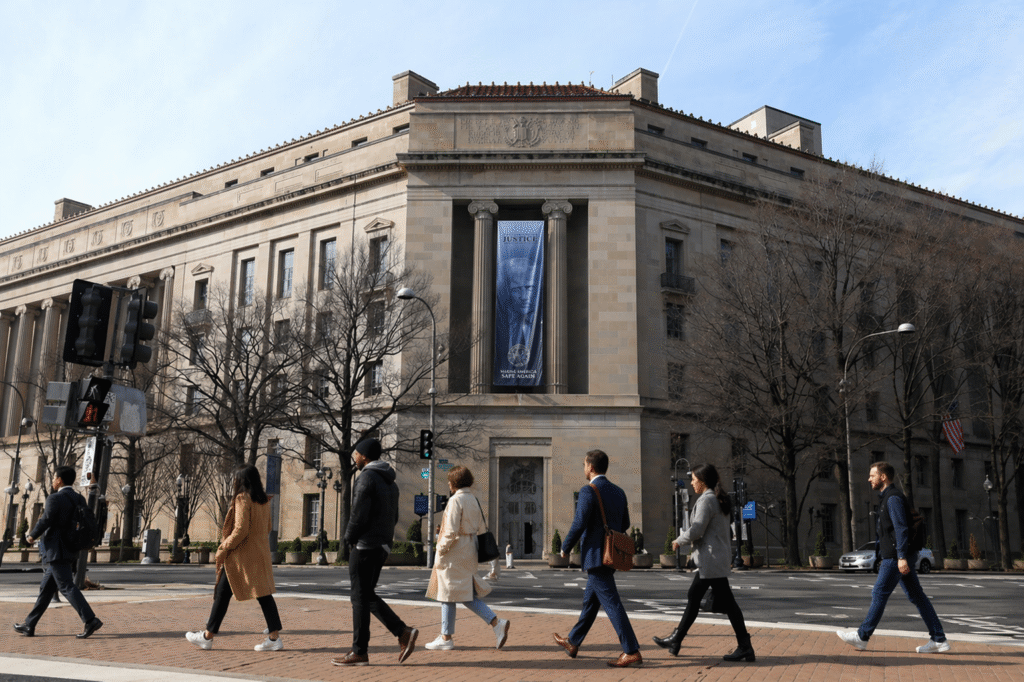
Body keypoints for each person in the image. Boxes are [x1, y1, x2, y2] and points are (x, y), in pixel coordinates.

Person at [837, 461, 951, 654]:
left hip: (895, 557)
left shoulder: (893, 498)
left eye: (872, 475)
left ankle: (862, 636)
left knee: (879, 593)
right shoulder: (886, 499)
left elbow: (901, 528)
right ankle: (939, 639)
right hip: (896, 555)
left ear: (883, 477)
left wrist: (901, 557)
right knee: (917, 597)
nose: (869, 479)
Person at [652, 464, 754, 662]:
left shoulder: (707, 500)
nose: (691, 483)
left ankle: (744, 646)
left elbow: (697, 529)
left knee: (712, 600)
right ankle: (678, 639)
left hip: (711, 559)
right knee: (701, 597)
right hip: (715, 558)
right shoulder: (717, 499)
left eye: (694, 480)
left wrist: (678, 540)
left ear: (703, 481)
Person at [552, 449, 642, 668]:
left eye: (584, 464)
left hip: (595, 554)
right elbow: (625, 523)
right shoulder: (619, 491)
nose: (583, 468)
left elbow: (579, 522)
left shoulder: (588, 491)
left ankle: (631, 651)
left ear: (591, 467)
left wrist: (565, 546)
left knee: (612, 603)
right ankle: (573, 641)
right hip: (612, 554)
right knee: (591, 602)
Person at [333, 438, 418, 666]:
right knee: (366, 595)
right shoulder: (391, 482)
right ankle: (402, 632)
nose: (354, 457)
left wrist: (349, 539)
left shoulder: (366, 478)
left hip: (364, 545)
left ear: (364, 456)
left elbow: (358, 514)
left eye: (356, 454)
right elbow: (395, 517)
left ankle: (360, 651)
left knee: (359, 597)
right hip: (381, 545)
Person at [185, 465, 283, 652]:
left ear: (241, 481)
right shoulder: (263, 501)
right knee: (263, 595)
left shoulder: (242, 498)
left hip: (240, 558)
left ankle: (207, 637)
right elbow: (268, 527)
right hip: (259, 555)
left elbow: (240, 529)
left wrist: (224, 547)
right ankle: (274, 638)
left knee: (223, 595)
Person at [423, 466, 510, 651]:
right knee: (461, 592)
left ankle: (447, 637)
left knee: (448, 592)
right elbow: (479, 527)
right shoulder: (473, 499)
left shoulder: (456, 500)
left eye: (450, 480)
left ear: (455, 482)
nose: (448, 483)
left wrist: (440, 548)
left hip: (455, 551)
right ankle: (494, 623)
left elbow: (451, 530)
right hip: (469, 547)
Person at [14, 465, 103, 639]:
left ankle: (90, 619)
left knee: (66, 586)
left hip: (56, 550)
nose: (53, 481)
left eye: (54, 478)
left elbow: (46, 519)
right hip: (70, 548)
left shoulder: (55, 498)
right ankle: (29, 625)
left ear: (60, 480)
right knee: (46, 589)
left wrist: (31, 536)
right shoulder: (79, 498)